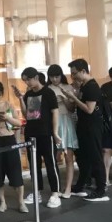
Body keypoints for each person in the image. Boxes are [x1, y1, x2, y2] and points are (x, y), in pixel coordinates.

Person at [14, 67, 61, 208]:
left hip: (46, 133)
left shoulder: (48, 92)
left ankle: (55, 193)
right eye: (25, 80)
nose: (27, 83)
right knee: (34, 164)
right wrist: (20, 98)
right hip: (31, 133)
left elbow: (55, 113)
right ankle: (37, 191)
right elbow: (27, 114)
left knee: (50, 163)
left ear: (36, 77)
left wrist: (55, 132)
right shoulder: (29, 94)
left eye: (28, 79)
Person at [66, 59, 109, 202]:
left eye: (74, 73)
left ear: (83, 71)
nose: (73, 76)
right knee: (83, 157)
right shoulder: (84, 86)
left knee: (95, 157)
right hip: (84, 126)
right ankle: (81, 185)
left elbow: (89, 109)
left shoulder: (92, 87)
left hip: (92, 127)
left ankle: (101, 189)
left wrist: (73, 98)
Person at [0, 81, 27, 213]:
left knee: (15, 170)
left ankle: (21, 202)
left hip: (9, 139)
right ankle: (2, 202)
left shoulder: (7, 104)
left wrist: (7, 118)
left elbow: (18, 123)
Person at [45, 65, 78, 199]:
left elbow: (72, 108)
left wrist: (64, 98)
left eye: (57, 76)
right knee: (53, 157)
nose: (54, 79)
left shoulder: (68, 88)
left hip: (66, 122)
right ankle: (56, 188)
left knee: (69, 156)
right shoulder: (46, 89)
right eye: (51, 77)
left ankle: (68, 187)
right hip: (52, 122)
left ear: (61, 75)